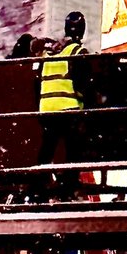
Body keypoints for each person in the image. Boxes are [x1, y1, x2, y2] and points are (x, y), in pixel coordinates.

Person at [35, 12, 88, 202]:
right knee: (74, 151)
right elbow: (82, 86)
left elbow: (38, 82)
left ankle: (39, 187)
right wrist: (86, 101)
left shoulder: (48, 53)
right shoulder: (78, 52)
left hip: (46, 109)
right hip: (68, 108)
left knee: (47, 149)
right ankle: (68, 189)